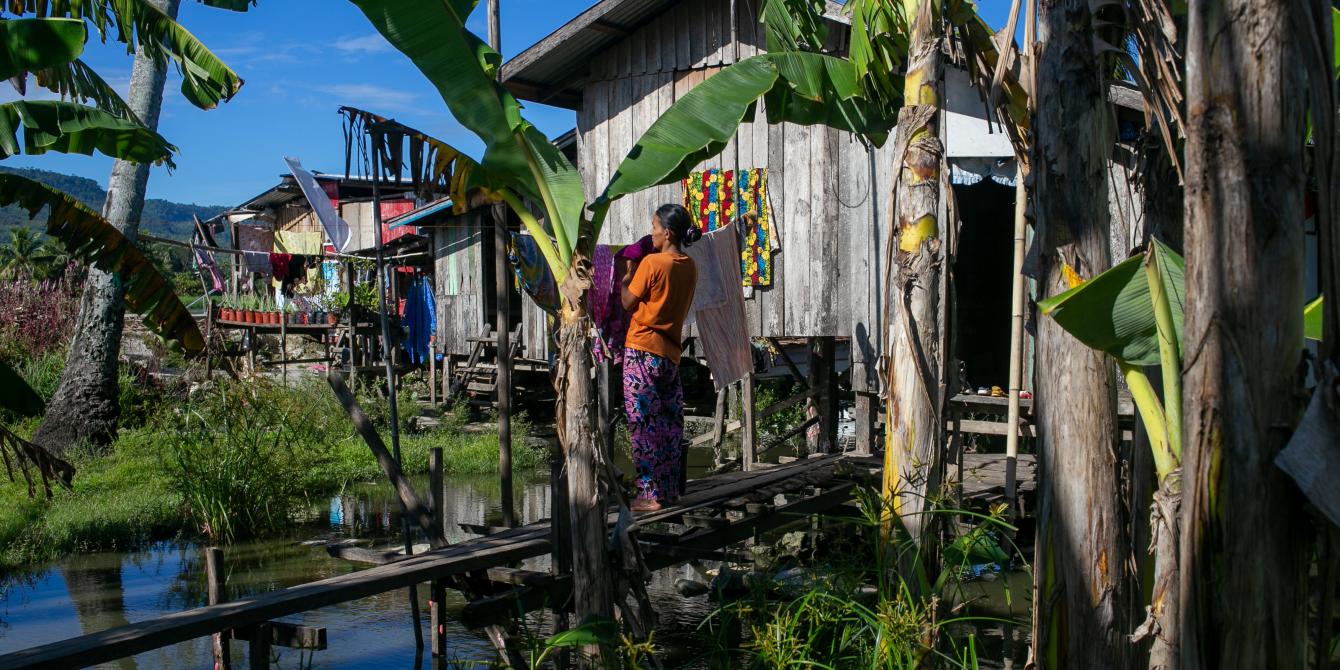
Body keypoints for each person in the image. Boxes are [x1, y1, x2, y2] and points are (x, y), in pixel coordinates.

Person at [619, 203, 701, 512]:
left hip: (642, 350)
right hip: (670, 355)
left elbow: (628, 302)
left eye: (654, 226)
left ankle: (647, 494)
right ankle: (669, 491)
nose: (650, 232)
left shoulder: (652, 263)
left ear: (667, 233)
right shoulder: (689, 266)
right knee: (668, 424)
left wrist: (627, 275)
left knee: (642, 423)